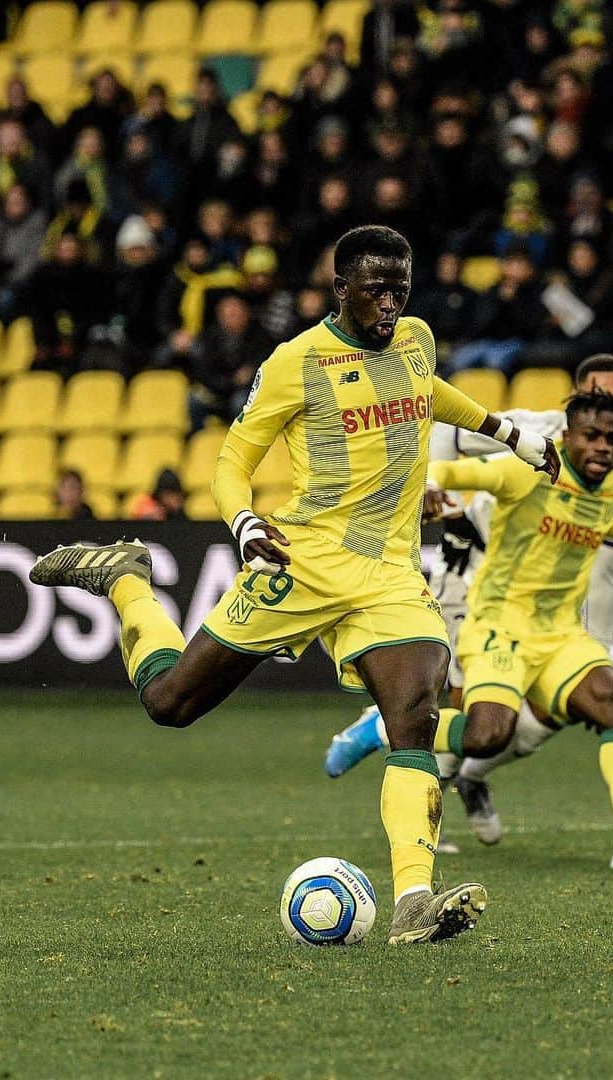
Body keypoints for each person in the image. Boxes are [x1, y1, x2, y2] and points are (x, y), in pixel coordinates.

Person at [28, 225, 561, 945]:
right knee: (170, 703)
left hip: (389, 574)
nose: (390, 304)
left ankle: (413, 901)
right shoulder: (295, 362)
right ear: (339, 288)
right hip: (300, 561)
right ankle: (127, 581)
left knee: (414, 712)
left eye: (400, 288)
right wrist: (245, 523)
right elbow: (230, 459)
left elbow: (425, 390)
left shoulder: (417, 339)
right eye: (374, 289)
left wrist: (510, 434)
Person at [328, 389, 613, 870]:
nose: (603, 448)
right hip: (499, 626)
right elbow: (455, 471)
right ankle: (382, 725)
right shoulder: (525, 471)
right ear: (566, 436)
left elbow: (598, 521)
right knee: (487, 735)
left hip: (559, 634)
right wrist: (433, 484)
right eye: (593, 437)